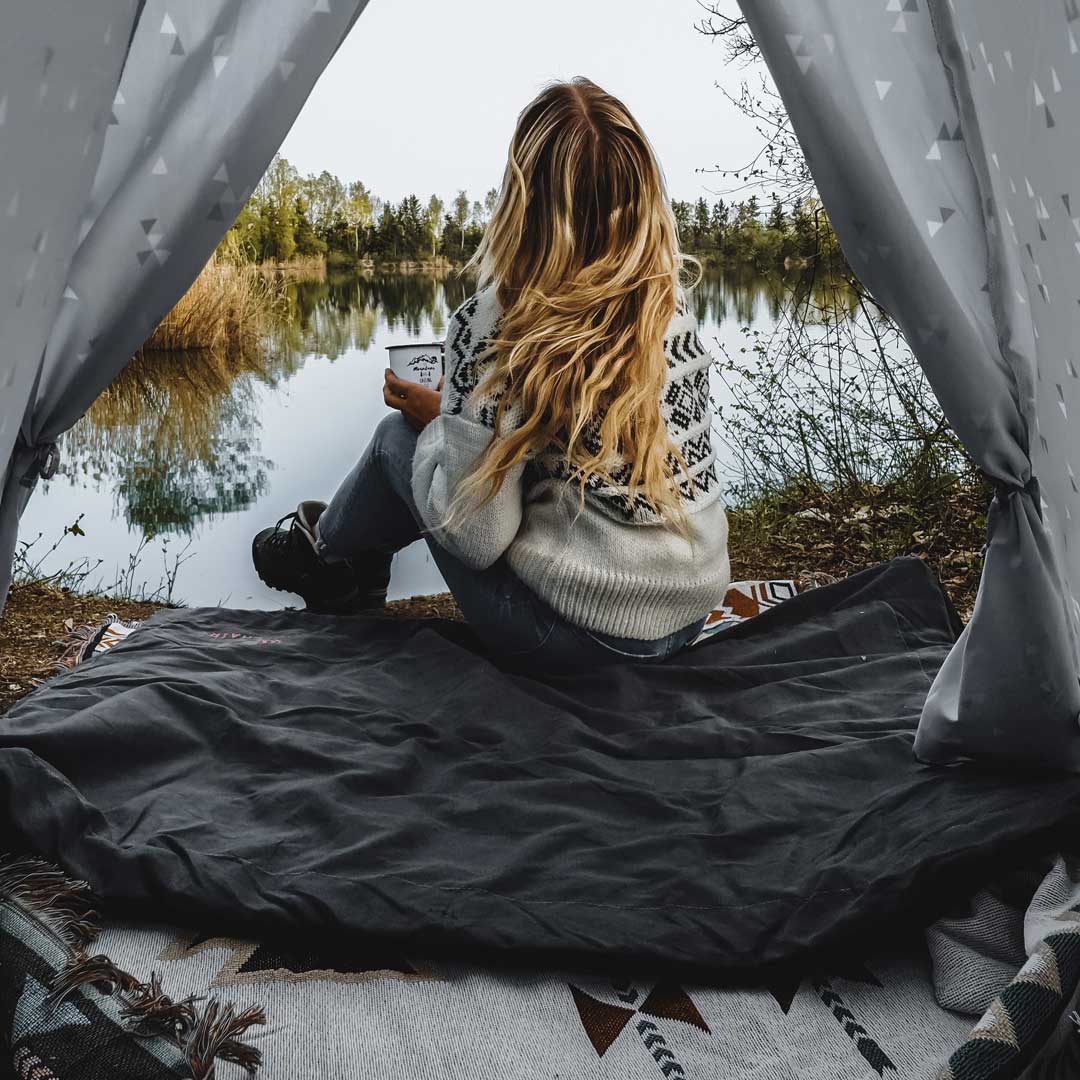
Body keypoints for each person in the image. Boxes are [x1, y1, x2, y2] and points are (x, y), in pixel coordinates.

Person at [252, 77, 730, 673]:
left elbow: (476, 539)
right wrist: (458, 416)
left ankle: (322, 555)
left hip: (575, 636)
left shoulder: (499, 321)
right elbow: (585, 454)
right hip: (685, 617)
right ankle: (343, 561)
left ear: (522, 200)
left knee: (395, 440)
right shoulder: (668, 309)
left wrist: (447, 424)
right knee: (432, 437)